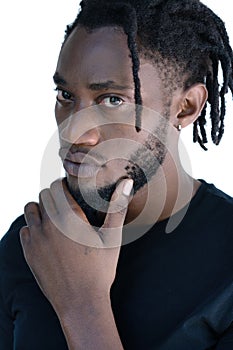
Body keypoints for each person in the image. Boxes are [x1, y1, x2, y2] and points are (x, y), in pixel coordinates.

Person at [1, 0, 233, 348]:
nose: (73, 134)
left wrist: (82, 305)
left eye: (112, 100)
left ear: (185, 107)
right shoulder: (34, 239)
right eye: (65, 95)